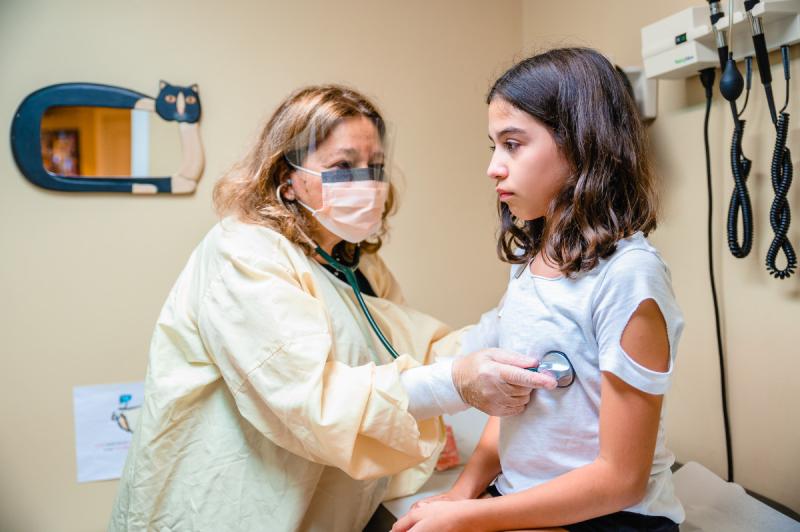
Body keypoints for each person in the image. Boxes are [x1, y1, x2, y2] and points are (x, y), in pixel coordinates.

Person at [108, 85, 556, 532]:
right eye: (343, 166)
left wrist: (524, 310)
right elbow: (310, 400)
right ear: (287, 177)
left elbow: (415, 351)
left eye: (375, 166)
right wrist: (454, 384)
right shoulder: (243, 253)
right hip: (222, 511)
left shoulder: (354, 263)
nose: (366, 181)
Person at [392, 48, 685, 532]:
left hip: (611, 516)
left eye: (512, 144)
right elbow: (513, 408)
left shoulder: (628, 276)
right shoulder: (534, 259)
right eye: (493, 145)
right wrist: (462, 494)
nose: (493, 166)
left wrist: (475, 516)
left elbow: (622, 479)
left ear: (583, 144)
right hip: (520, 495)